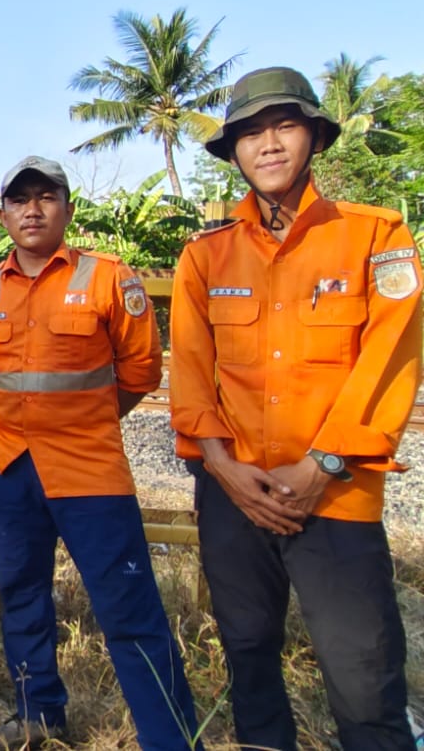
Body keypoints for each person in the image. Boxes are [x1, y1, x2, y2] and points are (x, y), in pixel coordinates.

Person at [170, 66, 420, 749]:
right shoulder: (206, 257)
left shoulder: (375, 236)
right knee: (249, 659)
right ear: (235, 153)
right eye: (251, 133)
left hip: (335, 495)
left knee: (364, 677)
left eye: (283, 126)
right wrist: (221, 467)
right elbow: (191, 376)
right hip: (235, 496)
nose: (269, 144)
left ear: (312, 136)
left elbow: (390, 363)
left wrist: (325, 464)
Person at [0, 156, 201, 750]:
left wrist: (83, 421)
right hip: (13, 472)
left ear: (68, 209)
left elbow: (141, 370)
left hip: (90, 472)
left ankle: (169, 738)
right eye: (21, 200)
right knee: (21, 599)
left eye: (46, 197)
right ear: (4, 214)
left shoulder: (108, 279)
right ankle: (38, 714)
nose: (33, 209)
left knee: (128, 609)